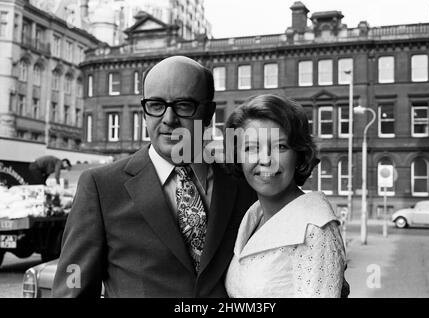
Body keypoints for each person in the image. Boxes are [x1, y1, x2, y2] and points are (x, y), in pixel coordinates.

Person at [51, 56, 257, 297]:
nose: (169, 119)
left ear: (209, 113)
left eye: (183, 105)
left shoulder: (241, 185)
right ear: (144, 113)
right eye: (156, 105)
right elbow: (73, 284)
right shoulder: (101, 187)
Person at [224, 94, 347, 297]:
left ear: (299, 154)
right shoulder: (254, 216)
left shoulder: (316, 230)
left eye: (280, 146)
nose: (265, 160)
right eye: (251, 148)